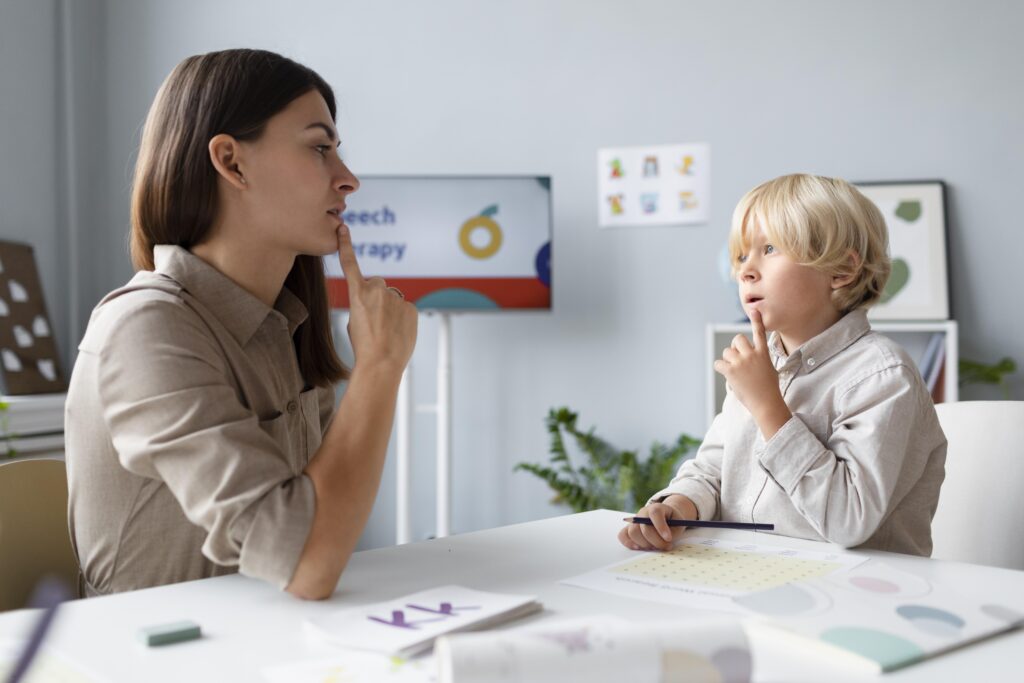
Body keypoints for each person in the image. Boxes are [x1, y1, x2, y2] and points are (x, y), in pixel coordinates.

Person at [65, 49, 417, 600]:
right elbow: (309, 562)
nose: (348, 180)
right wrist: (379, 367)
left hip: (267, 638)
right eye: (319, 148)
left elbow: (320, 541)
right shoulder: (144, 330)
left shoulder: (286, 327)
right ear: (231, 162)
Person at [619, 174, 946, 556]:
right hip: (754, 576)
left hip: (858, 592)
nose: (744, 271)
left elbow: (849, 520)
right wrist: (677, 505)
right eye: (741, 256)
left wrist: (769, 405)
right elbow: (713, 470)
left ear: (841, 270)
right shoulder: (756, 365)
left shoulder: (883, 377)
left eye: (769, 249)